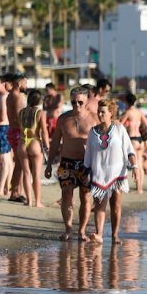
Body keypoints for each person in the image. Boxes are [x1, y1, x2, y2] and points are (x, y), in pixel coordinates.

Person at [45, 87, 97, 241]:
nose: (77, 105)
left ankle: (81, 231)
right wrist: (48, 165)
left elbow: (105, 142)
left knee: (86, 197)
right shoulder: (63, 119)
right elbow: (54, 143)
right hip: (67, 162)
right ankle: (68, 228)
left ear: (87, 101)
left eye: (80, 102)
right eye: (73, 102)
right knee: (66, 195)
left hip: (87, 163)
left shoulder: (95, 119)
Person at [84, 98, 136, 245]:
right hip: (99, 173)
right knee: (99, 206)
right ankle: (99, 234)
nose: (100, 114)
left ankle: (114, 235)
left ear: (111, 113)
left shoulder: (119, 129)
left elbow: (129, 150)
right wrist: (85, 171)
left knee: (116, 206)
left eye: (103, 112)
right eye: (98, 112)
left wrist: (135, 167)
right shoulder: (92, 132)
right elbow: (88, 155)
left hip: (117, 174)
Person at [17, 89, 50, 208]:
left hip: (22, 142)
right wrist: (47, 146)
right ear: (39, 100)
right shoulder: (40, 113)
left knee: (26, 173)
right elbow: (44, 132)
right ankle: (38, 201)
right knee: (36, 175)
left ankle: (29, 201)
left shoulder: (21, 112)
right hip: (34, 142)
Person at [5, 73, 28, 202]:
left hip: (12, 131)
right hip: (18, 131)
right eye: (25, 83)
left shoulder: (9, 96)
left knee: (19, 162)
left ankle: (15, 190)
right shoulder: (17, 97)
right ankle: (15, 192)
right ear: (19, 83)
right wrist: (25, 132)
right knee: (20, 163)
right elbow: (20, 118)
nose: (26, 85)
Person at [121, 93, 147, 193]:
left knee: (135, 164)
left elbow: (120, 124)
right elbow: (146, 124)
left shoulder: (128, 112)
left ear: (126, 102)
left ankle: (138, 189)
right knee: (140, 164)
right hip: (140, 139)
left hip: (132, 138)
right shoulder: (139, 112)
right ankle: (140, 188)